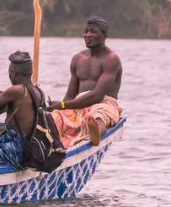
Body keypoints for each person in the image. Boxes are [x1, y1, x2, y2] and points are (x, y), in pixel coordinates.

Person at [48, 15, 124, 146]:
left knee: (99, 115)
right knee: (54, 118)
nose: (88, 35)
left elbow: (97, 95)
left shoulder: (111, 59)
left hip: (103, 103)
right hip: (78, 104)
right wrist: (59, 109)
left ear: (104, 35)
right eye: (86, 31)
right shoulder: (78, 58)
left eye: (93, 32)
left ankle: (95, 131)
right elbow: (70, 95)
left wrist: (63, 105)